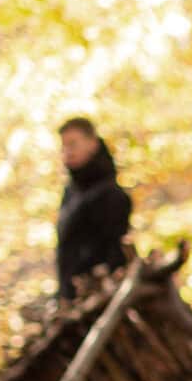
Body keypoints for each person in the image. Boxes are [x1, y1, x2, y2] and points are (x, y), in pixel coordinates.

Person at [56, 117, 136, 297]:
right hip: (71, 297)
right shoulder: (71, 192)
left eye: (73, 144)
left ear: (92, 143)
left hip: (102, 296)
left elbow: (114, 254)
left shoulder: (112, 195)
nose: (67, 152)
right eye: (63, 146)